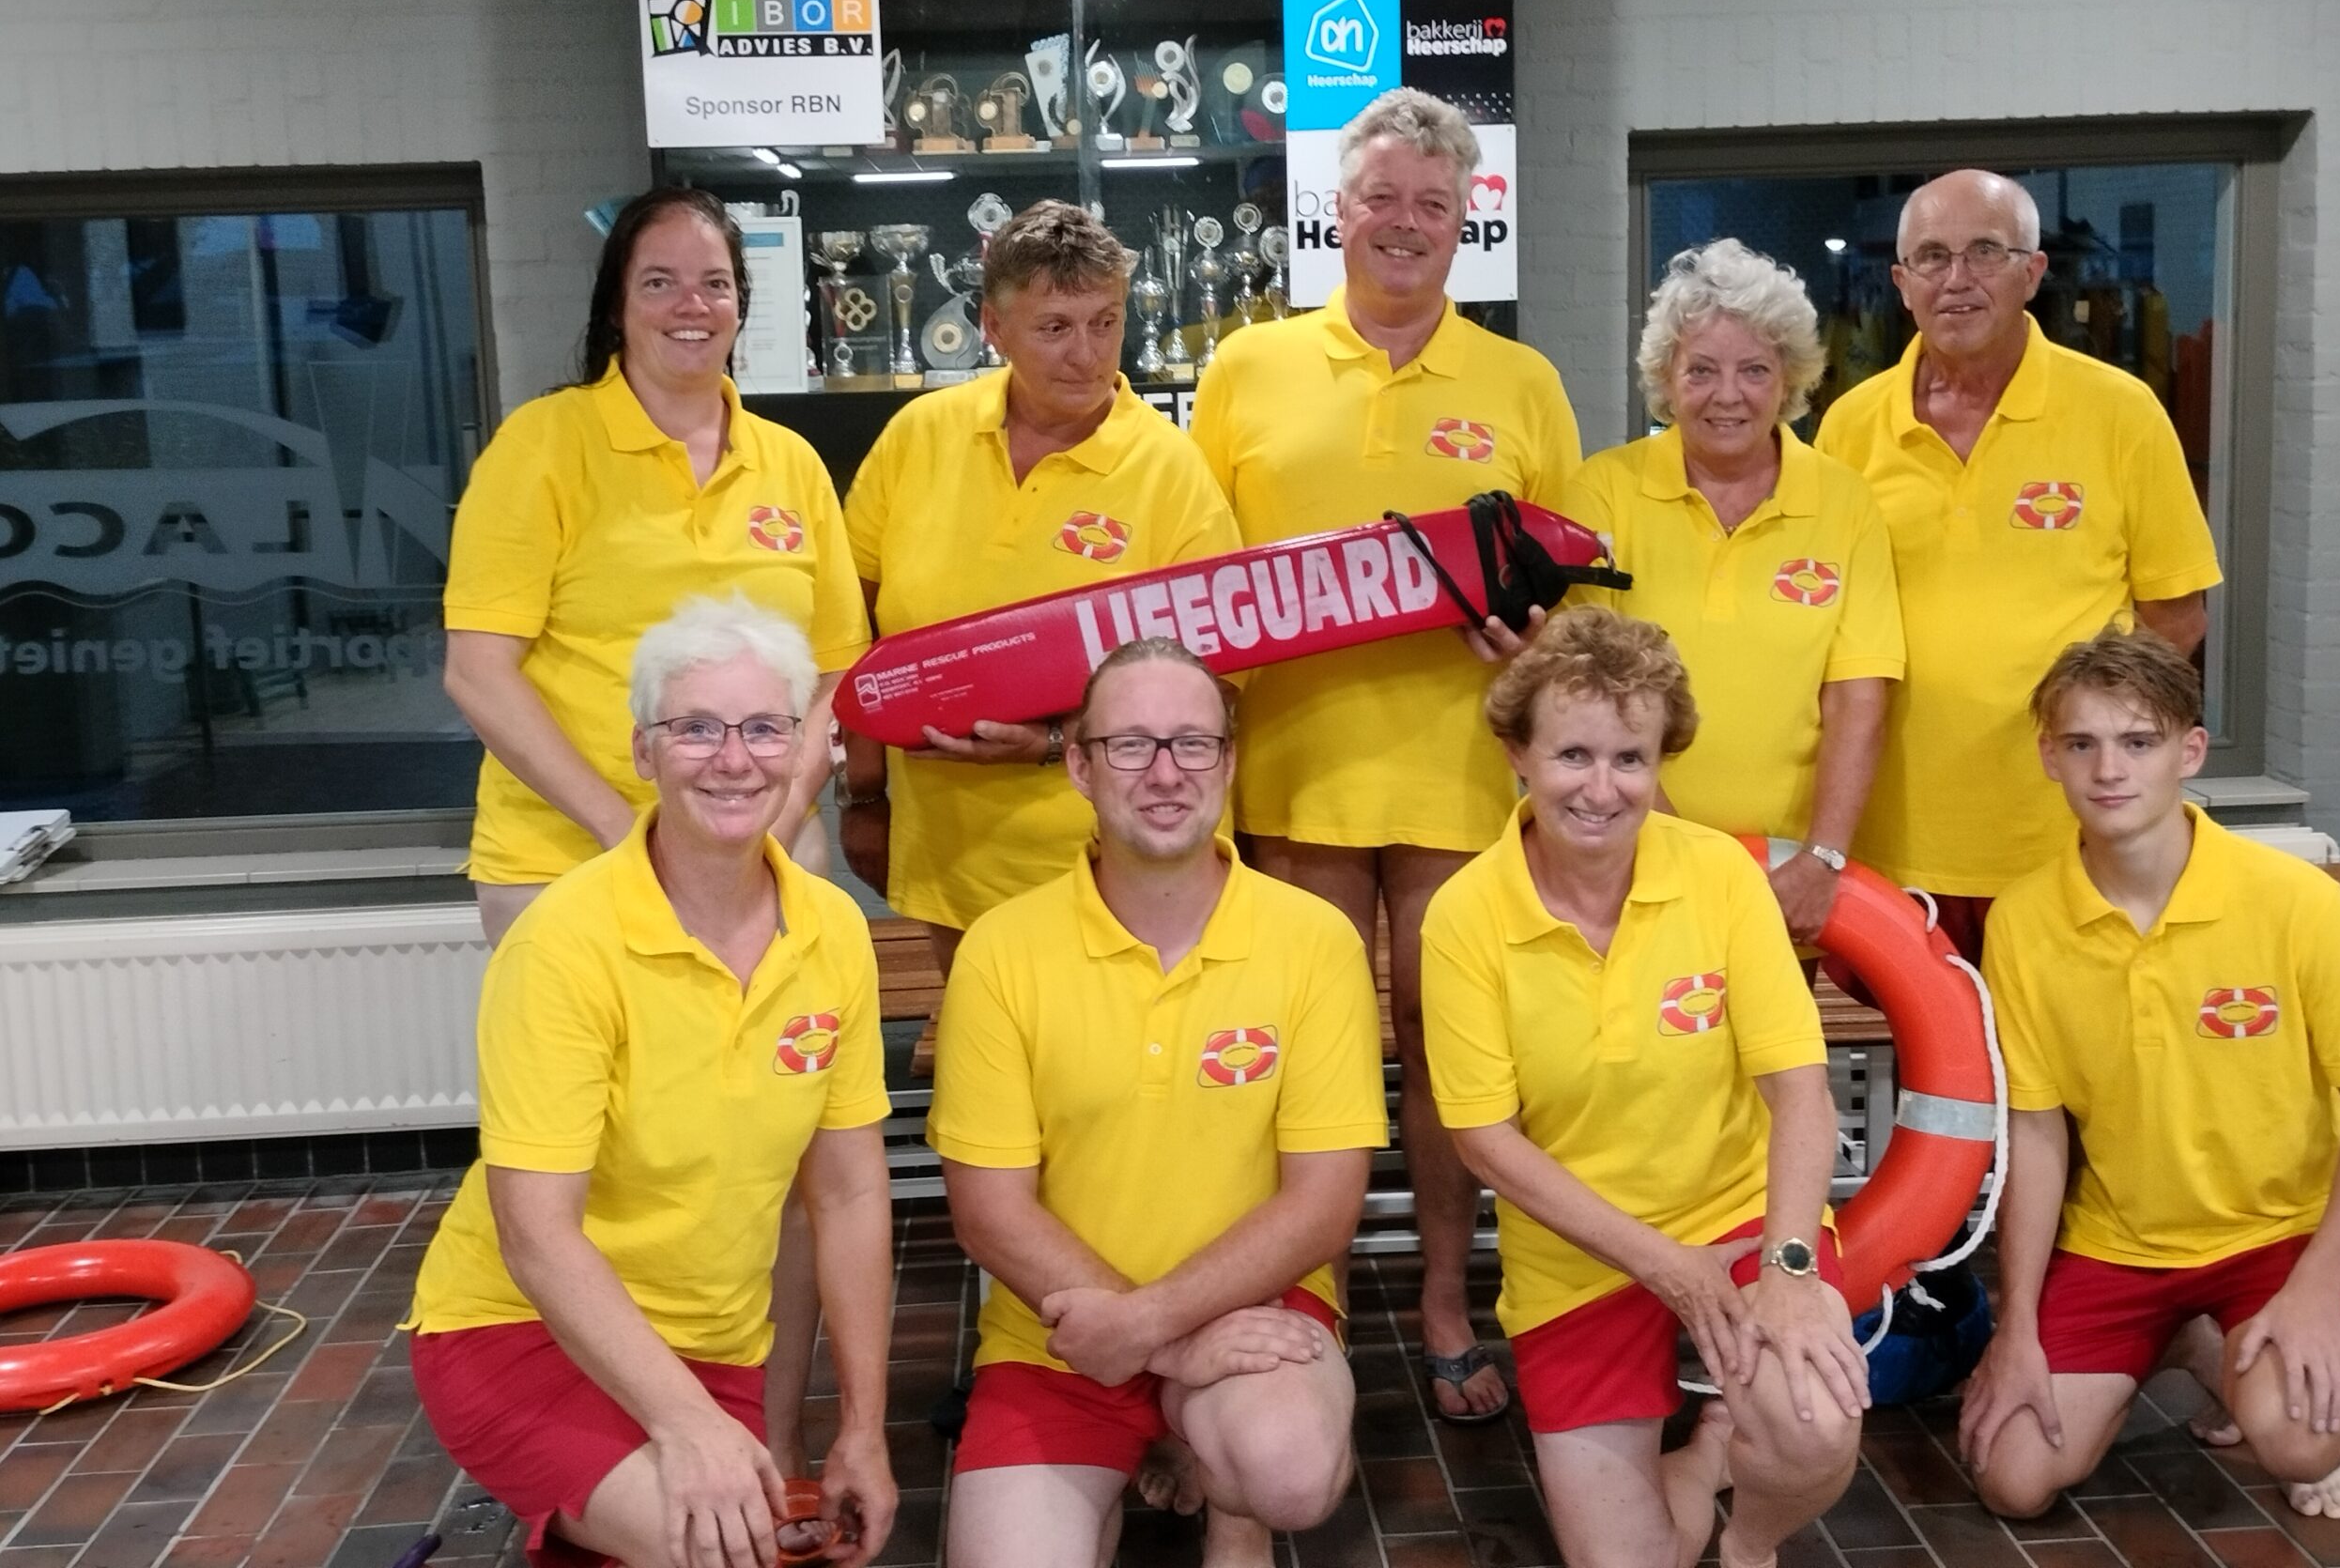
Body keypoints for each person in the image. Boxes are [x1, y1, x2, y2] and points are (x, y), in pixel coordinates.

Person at [1192, 87, 1582, 1423]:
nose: (1404, 222)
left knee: (1446, 1049)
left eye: (1433, 202)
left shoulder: (1522, 383)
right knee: (1293, 1049)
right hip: (1290, 769)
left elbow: (1564, 589)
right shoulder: (1247, 368)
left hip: (1458, 777)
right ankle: (1294, 1293)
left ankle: (1444, 1298)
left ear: (1468, 217)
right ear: (1337, 210)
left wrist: (1530, 638)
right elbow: (1192, 574)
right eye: (1381, 198)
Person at [407, 595, 896, 1568]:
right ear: (642, 751)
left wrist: (864, 1429)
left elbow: (847, 1191)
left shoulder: (832, 929)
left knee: (727, 1539)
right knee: (724, 1548)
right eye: (696, 729)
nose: (734, 759)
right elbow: (536, 1235)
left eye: (765, 728)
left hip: (716, 1341)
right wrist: (687, 1424)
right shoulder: (562, 945)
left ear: (805, 749)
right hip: (521, 1329)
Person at [929, 637, 1387, 1568]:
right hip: (1059, 1335)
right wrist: (1159, 1347)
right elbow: (989, 1212)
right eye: (1131, 745)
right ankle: (1146, 1443)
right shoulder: (1002, 950)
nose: (1166, 773)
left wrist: (1153, 1324)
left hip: (1249, 1314)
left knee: (1289, 1472)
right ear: (1079, 767)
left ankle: (1232, 1507)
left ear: (1230, 761)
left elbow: (1325, 1202)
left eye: (1193, 744)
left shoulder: (1313, 940)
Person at [1422, 607, 1865, 1568]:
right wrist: (1665, 1266)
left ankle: (1750, 1545)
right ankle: (1703, 1460)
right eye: (1572, 755)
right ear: (1517, 753)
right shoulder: (1463, 916)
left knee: (1814, 1421)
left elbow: (1800, 1089)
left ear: (1662, 761)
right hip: (1577, 1258)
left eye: (1630, 759)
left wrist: (1789, 1269)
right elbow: (1486, 1142)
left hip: (1741, 1220)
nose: (1601, 787)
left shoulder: (1719, 876)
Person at [1960, 627, 2340, 1525]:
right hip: (2118, 1243)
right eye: (2081, 743)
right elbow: (2036, 1134)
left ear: (2190, 752)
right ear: (2048, 757)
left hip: (2279, 1236)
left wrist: (2317, 1289)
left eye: (2139, 742)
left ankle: (2233, 1348)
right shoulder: (2024, 922)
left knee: (2301, 1439)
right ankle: (2189, 1344)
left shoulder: (2298, 904)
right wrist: (2017, 1330)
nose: (2108, 770)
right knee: (2012, 1479)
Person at [446, 187, 871, 947]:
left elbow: (838, 668)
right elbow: (478, 671)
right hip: (567, 862)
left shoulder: (792, 463)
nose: (691, 304)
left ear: (740, 304)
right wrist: (627, 836)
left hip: (764, 859)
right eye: (659, 281)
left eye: (715, 282)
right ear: (617, 305)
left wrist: (778, 813)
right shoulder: (540, 446)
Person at [1814, 169, 2220, 957]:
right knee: (1931, 1043)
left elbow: (2176, 620)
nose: (1957, 278)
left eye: (1985, 252)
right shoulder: (1850, 428)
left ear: (2032, 273)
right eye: (1932, 257)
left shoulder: (2121, 412)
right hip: (1898, 838)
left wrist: (2109, 762)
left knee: (2073, 1038)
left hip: (2067, 834)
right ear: (1901, 283)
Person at [839, 200, 1239, 976]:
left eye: (1105, 322)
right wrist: (863, 795)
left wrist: (1056, 743)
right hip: (950, 855)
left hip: (1122, 860)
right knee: (983, 1045)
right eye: (1055, 327)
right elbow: (854, 632)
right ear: (993, 326)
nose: (1086, 354)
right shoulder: (920, 435)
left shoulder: (1172, 471)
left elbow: (1216, 683)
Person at [1564, 238, 1902, 944]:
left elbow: (1857, 697)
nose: (1728, 395)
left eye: (1754, 370)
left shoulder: (1844, 503)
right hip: (1627, 861)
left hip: (1789, 877)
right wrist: (1667, 849)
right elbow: (1586, 696)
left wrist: (1823, 858)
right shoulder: (1602, 493)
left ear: (1790, 379)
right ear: (1666, 377)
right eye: (1702, 370)